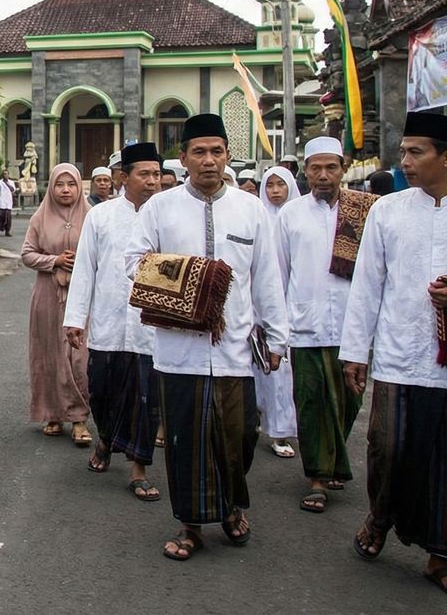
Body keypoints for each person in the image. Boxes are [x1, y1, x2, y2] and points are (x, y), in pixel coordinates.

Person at [125, 114, 287, 562]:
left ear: (228, 156)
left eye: (217, 151)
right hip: (179, 352)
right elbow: (132, 262)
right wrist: (195, 281)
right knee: (185, 441)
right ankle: (191, 524)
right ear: (184, 158)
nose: (209, 160)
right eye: (199, 151)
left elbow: (267, 277)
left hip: (235, 349)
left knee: (238, 437)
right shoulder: (160, 207)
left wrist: (277, 338)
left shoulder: (251, 209)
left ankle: (232, 507)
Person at [340, 111, 447, 593]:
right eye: (403, 151)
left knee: (441, 459)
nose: (404, 160)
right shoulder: (389, 210)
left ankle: (440, 553)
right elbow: (367, 284)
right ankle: (379, 518)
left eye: (415, 152)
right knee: (387, 447)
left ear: (445, 157)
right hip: (400, 354)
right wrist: (355, 351)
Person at [64, 143, 164, 501]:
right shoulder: (101, 216)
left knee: (146, 400)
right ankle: (105, 439)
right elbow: (85, 271)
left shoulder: (167, 215)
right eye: (144, 174)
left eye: (156, 174)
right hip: (107, 325)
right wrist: (75, 319)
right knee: (102, 392)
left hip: (149, 329)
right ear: (123, 177)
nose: (153, 181)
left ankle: (139, 469)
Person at [275, 137, 369, 515]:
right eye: (316, 168)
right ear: (306, 170)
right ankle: (317, 476)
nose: (323, 175)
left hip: (353, 326)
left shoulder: (364, 211)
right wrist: (277, 329)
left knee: (349, 401)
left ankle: (332, 460)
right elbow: (278, 274)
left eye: (331, 167)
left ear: (343, 168)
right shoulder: (291, 215)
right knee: (312, 402)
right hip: (305, 326)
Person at [23, 163, 92, 447]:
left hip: (82, 294)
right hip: (47, 295)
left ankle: (79, 418)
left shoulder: (92, 217)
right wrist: (55, 261)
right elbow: (27, 254)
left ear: (79, 187)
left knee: (79, 357)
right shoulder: (40, 218)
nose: (66, 190)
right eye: (60, 184)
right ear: (51, 187)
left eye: (71, 184)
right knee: (49, 353)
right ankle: (52, 413)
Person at [255, 166, 301, 460]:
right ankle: (261, 421)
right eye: (269, 185)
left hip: (291, 306)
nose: (274, 190)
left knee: (282, 373)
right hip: (258, 307)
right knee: (260, 372)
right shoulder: (257, 217)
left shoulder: (297, 218)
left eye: (280, 185)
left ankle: (280, 430)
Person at [0, 169, 16, 236]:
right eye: (4, 174)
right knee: (1, 217)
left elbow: (13, 190)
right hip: (1, 202)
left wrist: (7, 184)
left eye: (7, 174)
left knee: (8, 218)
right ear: (2, 175)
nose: (6, 175)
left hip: (8, 202)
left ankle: (7, 231)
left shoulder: (11, 182)